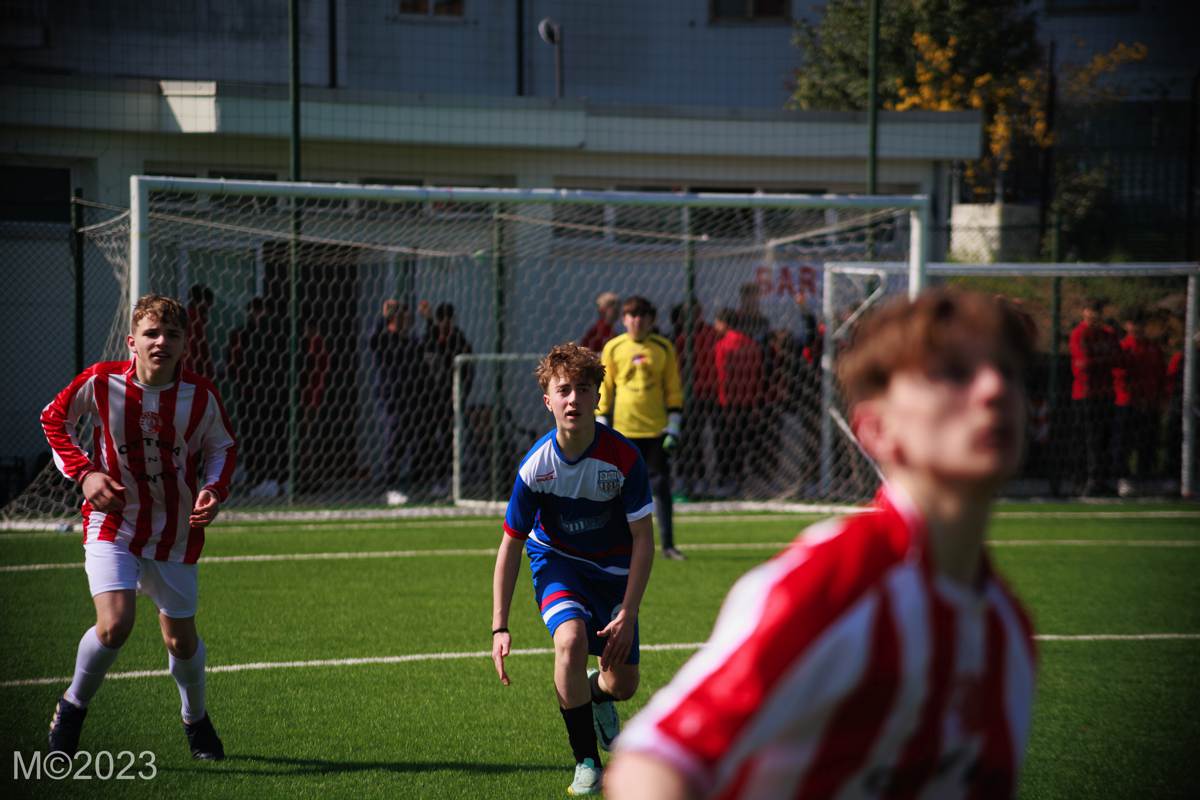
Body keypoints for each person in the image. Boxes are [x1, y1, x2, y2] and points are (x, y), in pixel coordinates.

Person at [606, 288, 1038, 800]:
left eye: (1009, 370)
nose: (994, 389)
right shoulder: (838, 582)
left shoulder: (1007, 626)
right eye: (954, 373)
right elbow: (653, 760)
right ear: (876, 429)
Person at [40, 294, 237, 760]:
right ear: (132, 342)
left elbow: (222, 448)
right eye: (151, 333)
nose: (160, 342)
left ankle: (195, 719)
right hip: (114, 524)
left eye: (172, 334)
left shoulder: (200, 396)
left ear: (185, 344)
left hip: (175, 531)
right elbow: (54, 418)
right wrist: (85, 474)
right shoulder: (101, 381)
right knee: (115, 625)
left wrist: (214, 490)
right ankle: (72, 708)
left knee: (180, 640)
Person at [491, 342, 655, 796]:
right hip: (558, 562)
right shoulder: (535, 467)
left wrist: (628, 612)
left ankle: (597, 694)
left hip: (614, 573)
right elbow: (510, 544)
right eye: (563, 390)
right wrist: (499, 626)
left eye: (583, 389)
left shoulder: (624, 459)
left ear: (597, 397)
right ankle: (586, 761)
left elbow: (644, 540)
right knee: (569, 641)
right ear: (548, 400)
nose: (573, 399)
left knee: (624, 684)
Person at [598, 296, 685, 560]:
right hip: (624, 431)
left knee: (661, 487)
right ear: (624, 320)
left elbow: (673, 388)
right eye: (631, 316)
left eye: (642, 316)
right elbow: (605, 388)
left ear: (651, 320)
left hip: (656, 431)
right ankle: (615, 545)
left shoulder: (663, 348)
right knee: (617, 490)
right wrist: (602, 422)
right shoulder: (613, 347)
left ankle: (668, 544)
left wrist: (674, 424)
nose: (637, 321)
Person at [413, 301, 472, 500]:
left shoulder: (459, 341)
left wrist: (462, 394)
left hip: (450, 400)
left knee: (449, 439)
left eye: (449, 319)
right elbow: (420, 367)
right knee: (427, 438)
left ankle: (449, 481)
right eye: (442, 319)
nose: (446, 323)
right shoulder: (428, 339)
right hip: (428, 400)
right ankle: (430, 480)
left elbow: (468, 371)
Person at [368, 299, 422, 503]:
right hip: (390, 397)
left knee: (411, 440)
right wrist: (383, 317)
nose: (407, 320)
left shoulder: (411, 340)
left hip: (411, 398)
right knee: (394, 436)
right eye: (402, 316)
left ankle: (412, 484)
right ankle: (389, 487)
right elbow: (373, 340)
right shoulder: (385, 338)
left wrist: (429, 320)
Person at [1111, 308, 1166, 494]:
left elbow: (1160, 375)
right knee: (1123, 443)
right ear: (1127, 326)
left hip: (1150, 403)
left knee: (1148, 443)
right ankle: (1122, 479)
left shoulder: (1153, 348)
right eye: (1134, 324)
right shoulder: (1123, 347)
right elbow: (1119, 377)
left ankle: (1145, 478)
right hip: (1127, 403)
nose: (1137, 328)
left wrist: (1159, 398)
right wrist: (1135, 397)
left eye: (1141, 324)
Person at [1069, 298, 1120, 496]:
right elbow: (1084, 364)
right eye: (1090, 311)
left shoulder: (1108, 334)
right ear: (1084, 312)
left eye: (1097, 312)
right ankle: (1084, 482)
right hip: (1085, 394)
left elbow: (1119, 359)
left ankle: (1101, 481)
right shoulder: (1079, 334)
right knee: (1088, 440)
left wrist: (1100, 361)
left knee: (1104, 440)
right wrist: (1105, 361)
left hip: (1106, 393)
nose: (1093, 315)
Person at [711, 308, 764, 496]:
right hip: (748, 402)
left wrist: (725, 403)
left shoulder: (722, 345)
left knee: (724, 442)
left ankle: (725, 479)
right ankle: (740, 479)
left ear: (724, 323)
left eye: (717, 323)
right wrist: (755, 403)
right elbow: (758, 376)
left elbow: (722, 376)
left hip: (728, 402)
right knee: (741, 442)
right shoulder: (752, 344)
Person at [185, 283, 215, 379]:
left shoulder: (191, 318)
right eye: (209, 303)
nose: (210, 307)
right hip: (194, 374)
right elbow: (196, 350)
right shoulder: (194, 321)